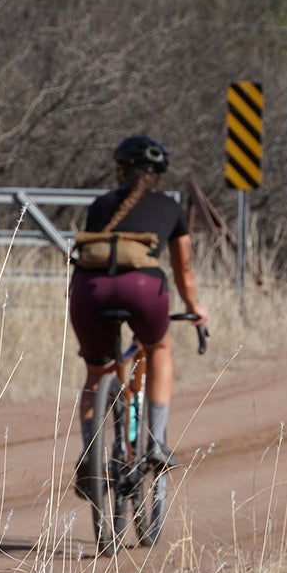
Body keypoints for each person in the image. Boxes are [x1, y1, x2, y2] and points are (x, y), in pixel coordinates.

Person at [69, 135, 207, 495]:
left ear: (119, 170)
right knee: (158, 348)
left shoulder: (100, 205)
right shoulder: (171, 208)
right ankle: (157, 442)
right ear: (159, 174)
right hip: (144, 290)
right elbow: (184, 272)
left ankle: (91, 455)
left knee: (97, 373)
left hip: (89, 291)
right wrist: (195, 309)